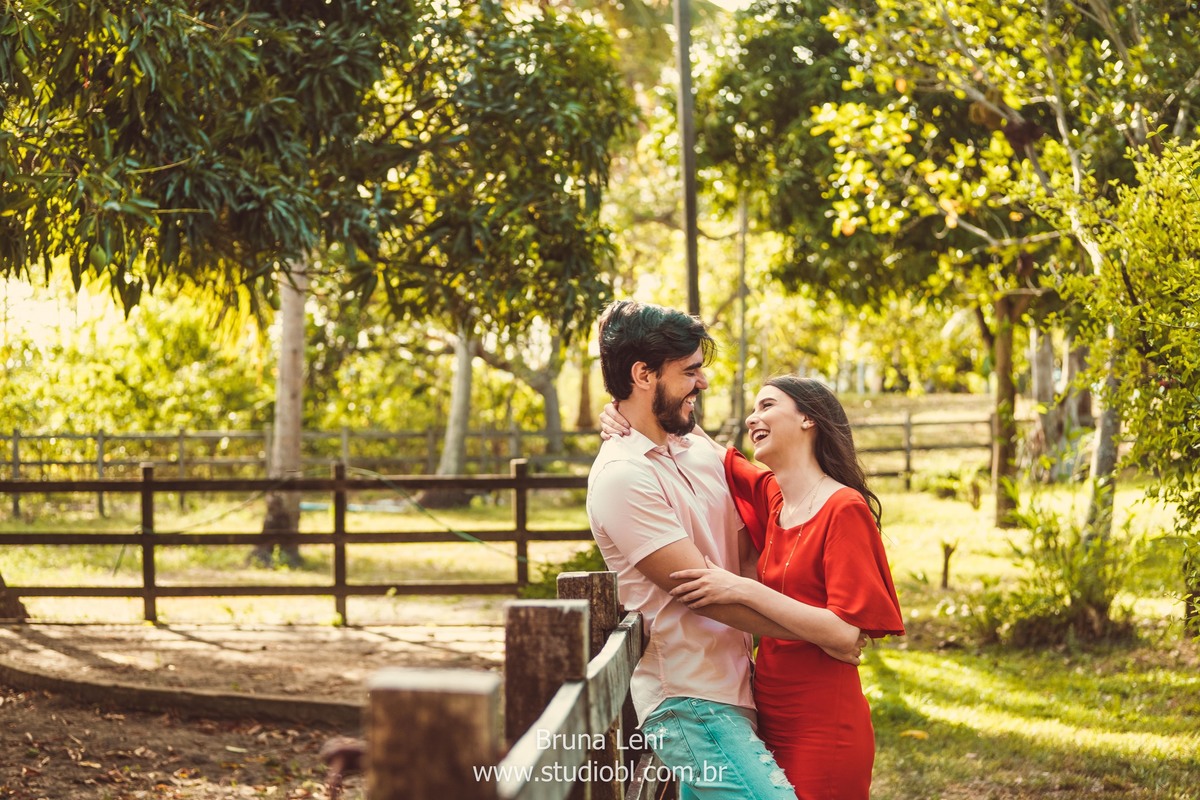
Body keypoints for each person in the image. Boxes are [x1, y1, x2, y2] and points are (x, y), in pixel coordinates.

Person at [587, 300, 863, 800]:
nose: (703, 383)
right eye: (690, 371)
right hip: (688, 700)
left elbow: (745, 557)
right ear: (644, 374)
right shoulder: (621, 476)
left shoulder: (696, 451)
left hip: (739, 688)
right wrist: (827, 635)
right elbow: (706, 593)